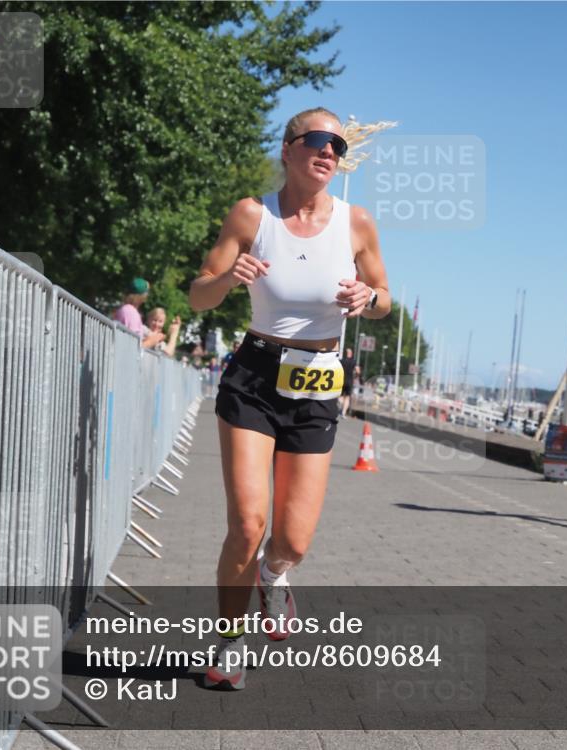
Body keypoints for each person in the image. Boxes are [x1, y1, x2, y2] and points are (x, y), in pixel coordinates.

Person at [189, 107, 390, 690]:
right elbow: (200, 295)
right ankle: (230, 643)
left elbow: (384, 297)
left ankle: (274, 577)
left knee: (292, 540)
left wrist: (365, 297)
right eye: (317, 141)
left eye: (338, 145)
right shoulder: (253, 215)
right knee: (247, 524)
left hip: (318, 382)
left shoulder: (356, 224)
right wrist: (229, 279)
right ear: (288, 148)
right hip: (254, 375)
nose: (329, 151)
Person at [113, 278, 164, 349]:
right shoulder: (130, 312)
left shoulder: (126, 309)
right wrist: (153, 340)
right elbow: (133, 347)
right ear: (143, 296)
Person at [339, 347, 356, 417]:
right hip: (349, 381)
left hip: (341, 380)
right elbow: (357, 371)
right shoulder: (353, 362)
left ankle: (340, 407)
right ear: (351, 354)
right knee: (347, 397)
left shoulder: (341, 361)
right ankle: (343, 412)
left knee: (340, 396)